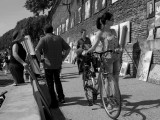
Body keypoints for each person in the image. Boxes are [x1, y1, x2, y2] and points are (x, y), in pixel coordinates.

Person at [35, 24, 71, 109]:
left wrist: (40, 60)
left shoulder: (43, 39)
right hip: (58, 64)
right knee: (58, 81)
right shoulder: (59, 38)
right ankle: (61, 98)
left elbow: (37, 50)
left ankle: (54, 102)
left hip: (48, 65)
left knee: (50, 84)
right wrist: (63, 58)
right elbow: (68, 48)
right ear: (52, 30)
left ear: (44, 31)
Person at [83, 11, 122, 86]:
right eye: (112, 19)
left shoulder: (113, 31)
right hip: (107, 58)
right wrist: (87, 51)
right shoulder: (100, 33)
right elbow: (94, 46)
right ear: (107, 21)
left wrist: (119, 48)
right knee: (109, 79)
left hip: (116, 57)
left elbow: (118, 44)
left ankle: (116, 96)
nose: (114, 21)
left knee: (116, 78)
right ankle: (109, 97)